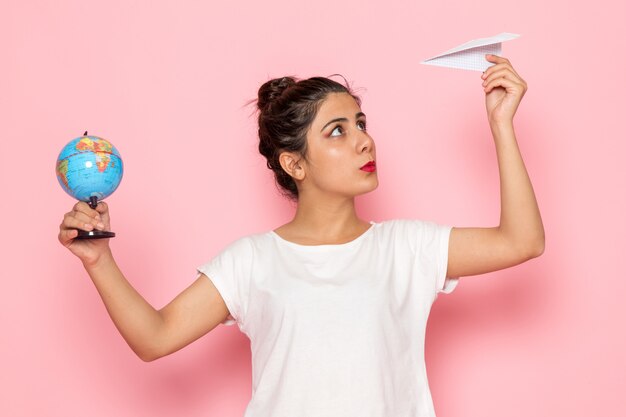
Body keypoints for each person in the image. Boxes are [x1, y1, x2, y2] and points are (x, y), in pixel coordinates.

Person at [58, 54, 544, 417]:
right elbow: (155, 338)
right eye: (336, 131)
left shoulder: (406, 248)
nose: (363, 139)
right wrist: (99, 261)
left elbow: (522, 241)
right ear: (294, 164)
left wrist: (501, 124)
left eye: (360, 123)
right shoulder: (252, 261)